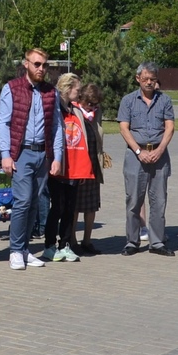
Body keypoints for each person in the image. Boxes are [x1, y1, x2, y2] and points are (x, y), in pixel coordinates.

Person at [0, 48, 65, 271]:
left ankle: (25, 249)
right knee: (23, 201)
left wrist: (57, 157)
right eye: (37, 64)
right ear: (26, 64)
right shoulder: (12, 88)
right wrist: (6, 155)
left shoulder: (51, 92)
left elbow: (57, 126)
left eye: (44, 65)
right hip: (21, 153)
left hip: (43, 154)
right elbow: (3, 123)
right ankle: (15, 250)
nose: (41, 69)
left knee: (35, 202)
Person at [118, 62, 176, 256]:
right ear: (138, 79)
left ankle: (157, 242)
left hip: (159, 155)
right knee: (134, 200)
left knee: (159, 201)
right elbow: (124, 128)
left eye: (152, 79)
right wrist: (138, 151)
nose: (149, 82)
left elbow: (170, 127)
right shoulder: (128, 100)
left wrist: (160, 150)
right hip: (136, 155)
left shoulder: (165, 100)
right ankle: (132, 242)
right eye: (145, 79)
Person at [42, 73, 84, 263]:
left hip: (74, 165)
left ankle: (65, 244)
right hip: (57, 164)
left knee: (70, 207)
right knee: (57, 206)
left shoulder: (75, 110)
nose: (79, 93)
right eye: (77, 89)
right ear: (67, 88)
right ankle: (49, 245)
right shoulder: (54, 108)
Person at [74, 83, 106, 255]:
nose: (92, 107)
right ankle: (72, 241)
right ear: (81, 99)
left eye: (95, 104)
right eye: (89, 103)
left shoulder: (96, 113)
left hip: (93, 164)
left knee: (91, 205)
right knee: (74, 206)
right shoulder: (74, 111)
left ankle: (87, 240)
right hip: (78, 165)